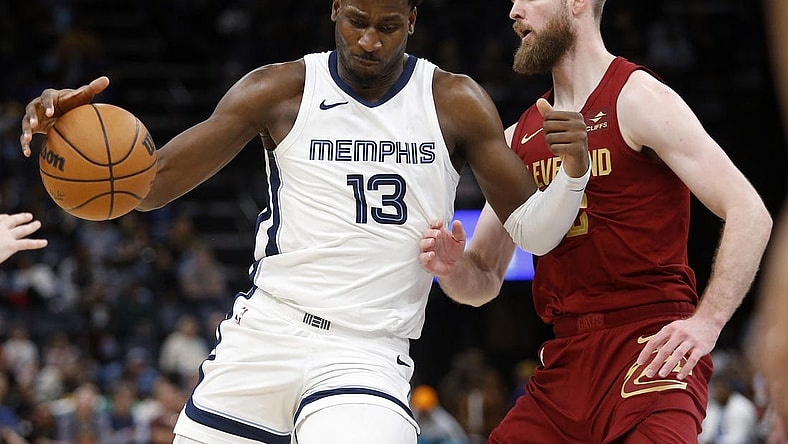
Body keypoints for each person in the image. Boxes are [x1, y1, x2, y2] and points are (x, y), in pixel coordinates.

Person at [20, 0, 592, 442]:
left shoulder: (454, 102)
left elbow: (536, 233)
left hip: (366, 349)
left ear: (412, 23)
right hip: (266, 331)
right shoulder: (278, 90)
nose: (369, 39)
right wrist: (69, 130)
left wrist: (571, 175)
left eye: (388, 25)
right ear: (333, 12)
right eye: (356, 21)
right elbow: (149, 188)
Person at [419, 0, 773, 442]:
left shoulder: (638, 97)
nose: (512, 11)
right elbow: (486, 275)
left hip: (650, 347)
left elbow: (749, 211)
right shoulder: (517, 137)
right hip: (565, 357)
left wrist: (709, 321)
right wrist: (453, 269)